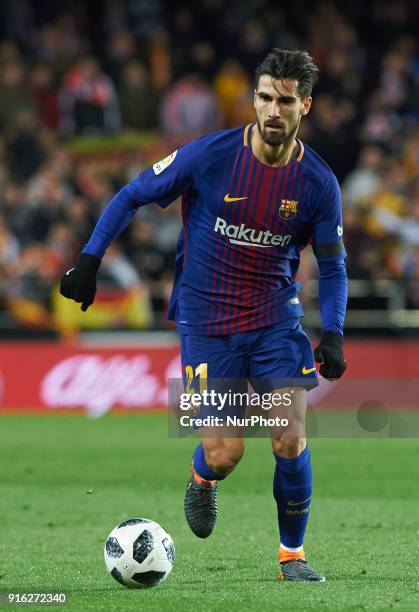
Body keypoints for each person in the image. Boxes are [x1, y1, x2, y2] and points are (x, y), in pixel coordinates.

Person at [60, 49, 347, 582]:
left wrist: (333, 332)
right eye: (264, 97)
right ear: (253, 99)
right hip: (205, 321)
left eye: (285, 101)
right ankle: (202, 475)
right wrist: (89, 258)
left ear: (304, 105)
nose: (273, 111)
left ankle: (293, 557)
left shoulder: (318, 184)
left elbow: (332, 267)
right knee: (225, 452)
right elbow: (132, 194)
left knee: (289, 436)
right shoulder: (210, 156)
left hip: (274, 321)